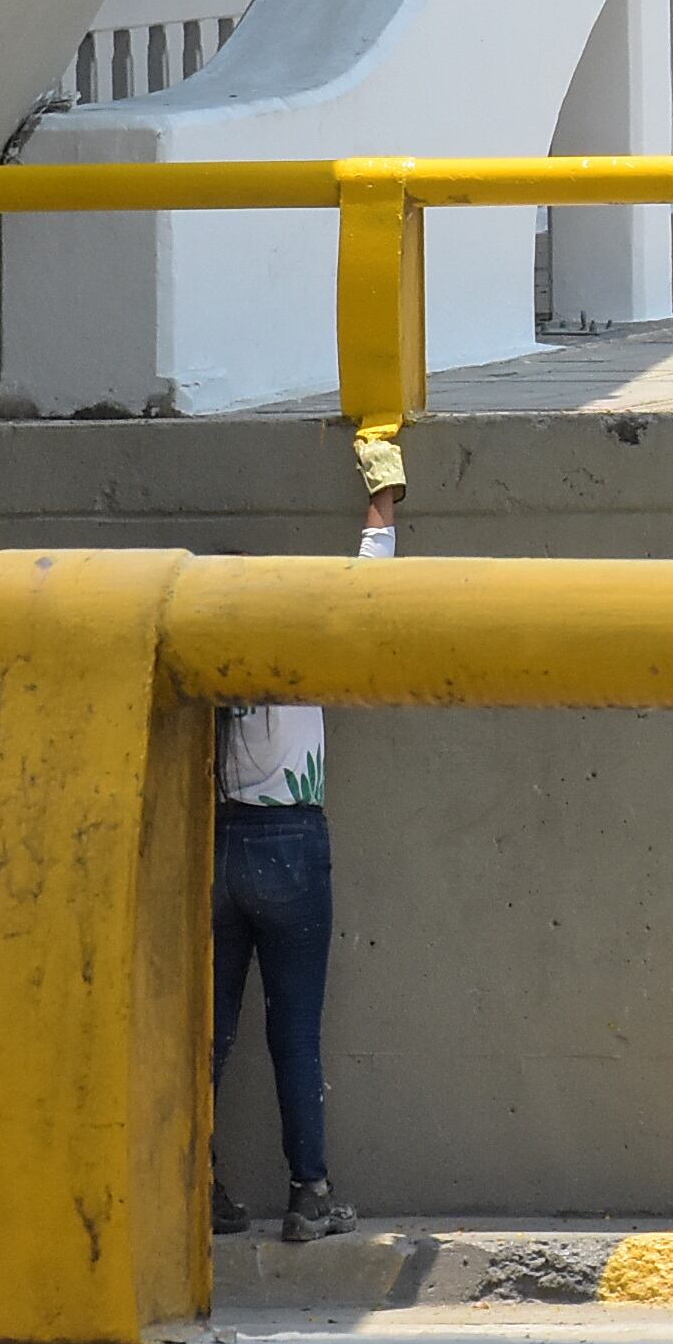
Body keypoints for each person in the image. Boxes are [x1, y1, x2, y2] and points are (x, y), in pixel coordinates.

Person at [209, 437, 404, 1242]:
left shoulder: (203, 657)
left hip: (216, 846)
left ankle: (193, 1182)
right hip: (292, 843)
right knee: (294, 1030)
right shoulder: (301, 643)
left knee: (207, 1032)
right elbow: (371, 585)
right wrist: (382, 491)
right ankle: (309, 1193)